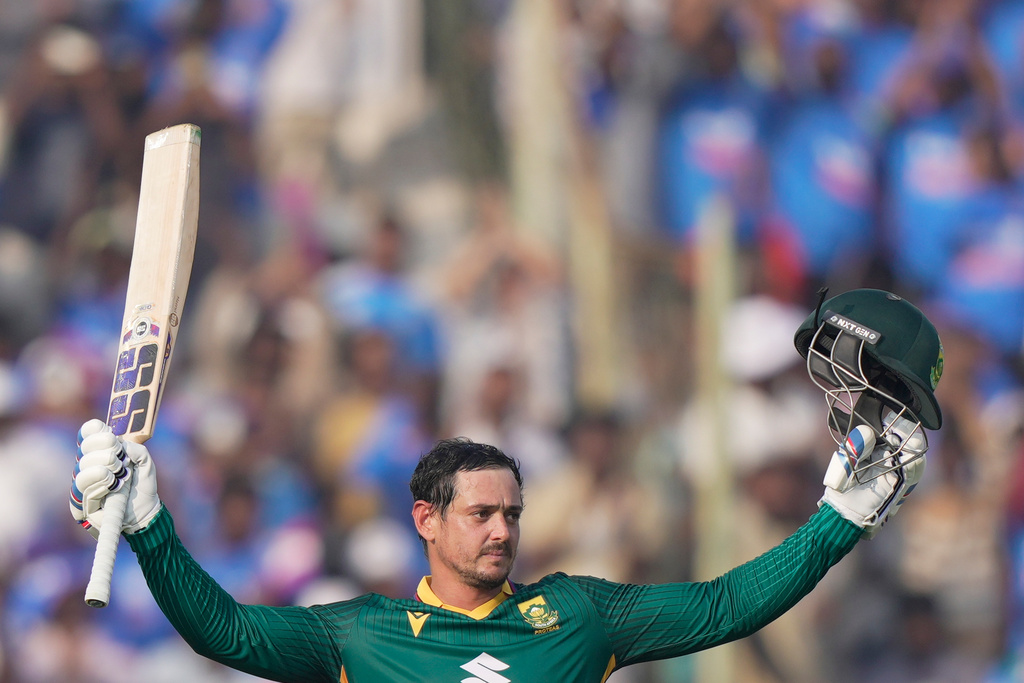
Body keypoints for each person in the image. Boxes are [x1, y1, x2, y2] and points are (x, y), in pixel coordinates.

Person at [68, 288, 943, 682]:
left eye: (512, 514)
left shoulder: (580, 615)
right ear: (426, 519)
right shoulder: (361, 636)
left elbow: (725, 605)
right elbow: (221, 631)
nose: (502, 530)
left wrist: (839, 520)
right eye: (481, 513)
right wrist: (150, 523)